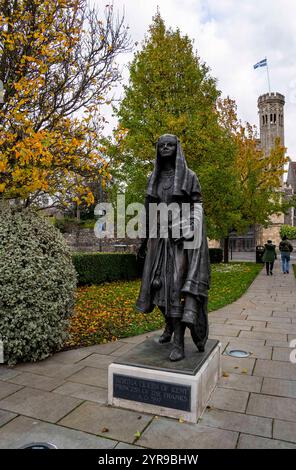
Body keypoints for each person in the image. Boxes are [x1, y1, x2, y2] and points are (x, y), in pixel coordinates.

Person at [136, 134, 210, 362]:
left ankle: (179, 341)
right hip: (157, 240)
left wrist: (190, 227)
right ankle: (168, 327)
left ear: (177, 148)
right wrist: (142, 241)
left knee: (175, 288)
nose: (165, 148)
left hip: (180, 241)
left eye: (170, 144)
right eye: (161, 145)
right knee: (155, 287)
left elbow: (197, 205)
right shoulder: (154, 178)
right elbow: (149, 213)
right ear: (157, 150)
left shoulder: (189, 176)